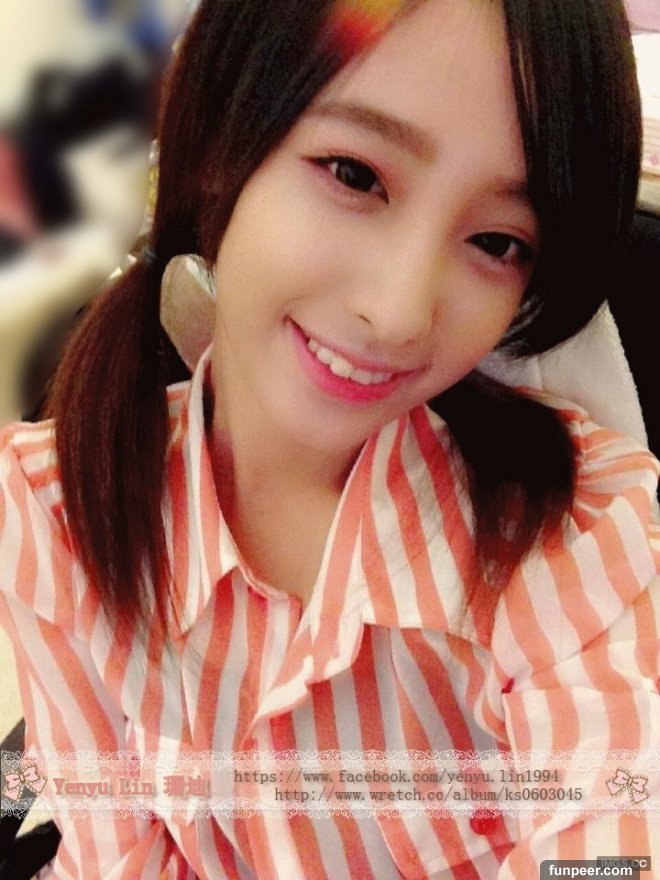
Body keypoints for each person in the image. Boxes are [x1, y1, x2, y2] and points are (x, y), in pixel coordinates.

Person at [0, 0, 658, 877]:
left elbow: (611, 833)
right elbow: (114, 852)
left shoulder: (577, 531)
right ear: (220, 137)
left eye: (497, 242)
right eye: (355, 174)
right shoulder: (55, 509)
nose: (399, 312)